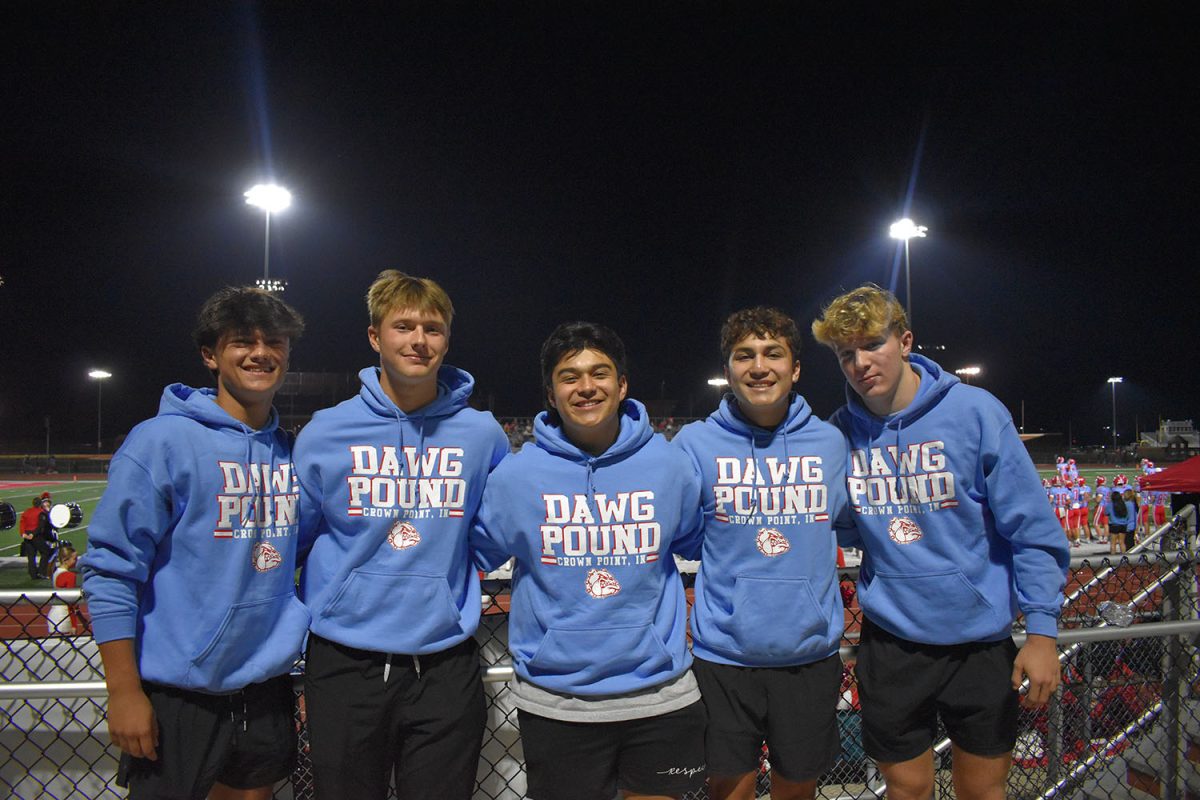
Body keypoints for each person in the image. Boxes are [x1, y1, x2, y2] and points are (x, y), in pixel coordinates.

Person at [811, 284, 1069, 800]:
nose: (860, 363)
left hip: (978, 641)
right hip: (892, 642)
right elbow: (838, 524)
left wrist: (1042, 632)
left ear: (904, 341)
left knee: (983, 790)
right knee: (906, 790)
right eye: (846, 354)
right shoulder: (839, 434)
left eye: (871, 344)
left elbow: (1033, 531)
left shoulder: (975, 412)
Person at [81, 286, 307, 800]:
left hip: (265, 686)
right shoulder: (160, 441)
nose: (261, 352)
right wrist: (122, 691)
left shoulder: (290, 451)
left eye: (274, 341)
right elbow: (113, 569)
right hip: (179, 692)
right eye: (241, 342)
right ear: (210, 355)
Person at [295, 270, 509, 800]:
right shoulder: (326, 430)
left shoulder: (482, 434)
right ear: (375, 338)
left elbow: (497, 528)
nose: (419, 340)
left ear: (447, 340)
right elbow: (296, 537)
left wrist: (443, 567)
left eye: (433, 329)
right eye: (404, 326)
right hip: (345, 660)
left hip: (444, 661)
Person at [470, 321, 707, 800]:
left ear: (621, 386)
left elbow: (697, 544)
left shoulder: (670, 466)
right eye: (569, 376)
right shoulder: (517, 476)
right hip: (558, 700)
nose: (586, 387)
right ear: (551, 394)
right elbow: (476, 553)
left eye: (599, 373)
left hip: (660, 692)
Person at [671, 307, 849, 800]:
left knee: (798, 790)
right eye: (743, 355)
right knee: (729, 790)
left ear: (795, 369)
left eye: (773, 354)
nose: (758, 366)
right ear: (728, 370)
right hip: (724, 656)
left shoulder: (831, 443)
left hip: (809, 655)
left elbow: (850, 525)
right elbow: (682, 535)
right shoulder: (695, 444)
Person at [47, 542, 84, 635]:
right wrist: (74, 624)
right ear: (65, 560)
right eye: (74, 559)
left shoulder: (55, 572)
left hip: (54, 615)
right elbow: (70, 602)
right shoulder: (69, 576)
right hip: (63, 617)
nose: (76, 561)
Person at [20, 497, 50, 580]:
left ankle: (33, 574)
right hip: (36, 536)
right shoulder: (41, 512)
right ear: (40, 504)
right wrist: (33, 534)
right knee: (46, 552)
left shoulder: (26, 511)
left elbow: (22, 523)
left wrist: (23, 534)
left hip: (27, 536)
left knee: (31, 556)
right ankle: (41, 572)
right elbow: (41, 526)